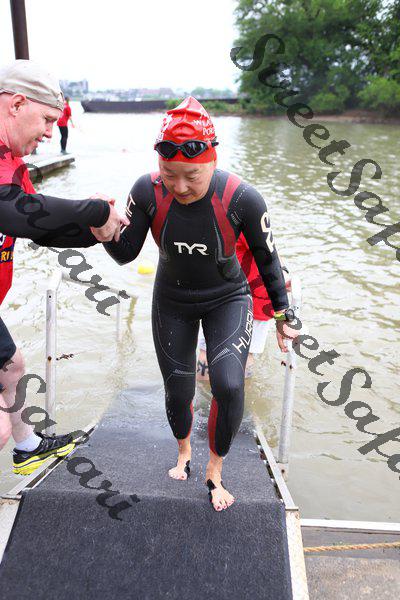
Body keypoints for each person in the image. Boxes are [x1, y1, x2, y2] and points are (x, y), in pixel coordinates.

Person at [105, 97, 299, 512]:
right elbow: (125, 253)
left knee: (228, 384)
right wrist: (103, 229)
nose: (179, 187)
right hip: (172, 300)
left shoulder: (243, 198)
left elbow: (268, 260)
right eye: (169, 174)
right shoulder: (145, 190)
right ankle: (183, 452)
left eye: (191, 176)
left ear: (212, 160)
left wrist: (285, 315)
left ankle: (215, 469)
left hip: (227, 298)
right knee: (178, 389)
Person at [0, 59, 128, 475]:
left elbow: (40, 229)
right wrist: (92, 209)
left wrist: (97, 232)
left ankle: (28, 448)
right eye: (47, 120)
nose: (50, 133)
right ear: (17, 104)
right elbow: (12, 211)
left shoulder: (12, 165)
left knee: (12, 366)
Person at [196, 233, 292, 381]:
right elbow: (268, 250)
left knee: (211, 351)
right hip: (250, 298)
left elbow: (269, 249)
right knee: (243, 354)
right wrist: (282, 277)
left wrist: (282, 275)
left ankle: (204, 393)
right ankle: (235, 393)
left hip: (236, 295)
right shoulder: (248, 222)